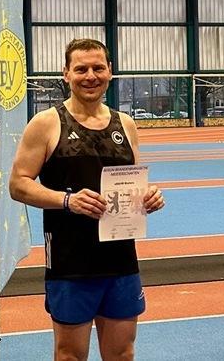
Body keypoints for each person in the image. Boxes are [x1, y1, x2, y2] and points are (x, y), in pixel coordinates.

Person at [9, 38, 165, 361]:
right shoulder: (47, 123)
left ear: (110, 71)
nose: (90, 75)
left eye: (98, 68)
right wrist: (68, 201)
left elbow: (132, 185)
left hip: (121, 260)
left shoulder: (127, 125)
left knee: (122, 353)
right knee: (70, 356)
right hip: (71, 263)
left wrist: (148, 197)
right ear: (66, 74)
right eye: (81, 69)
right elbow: (18, 184)